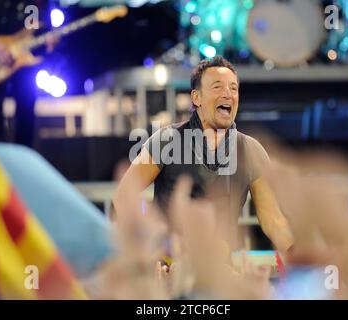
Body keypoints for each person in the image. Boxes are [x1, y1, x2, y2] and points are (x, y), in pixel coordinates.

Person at [113, 56, 294, 254]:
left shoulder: (250, 150)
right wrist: (147, 249)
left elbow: (273, 218)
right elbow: (124, 196)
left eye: (233, 88)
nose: (227, 94)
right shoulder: (166, 140)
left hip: (221, 271)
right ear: (196, 97)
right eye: (217, 87)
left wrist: (300, 257)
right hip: (172, 269)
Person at [0, 0, 57, 147]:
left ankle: (23, 159)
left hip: (24, 61)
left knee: (26, 112)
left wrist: (47, 35)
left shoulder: (32, 4)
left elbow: (35, 22)